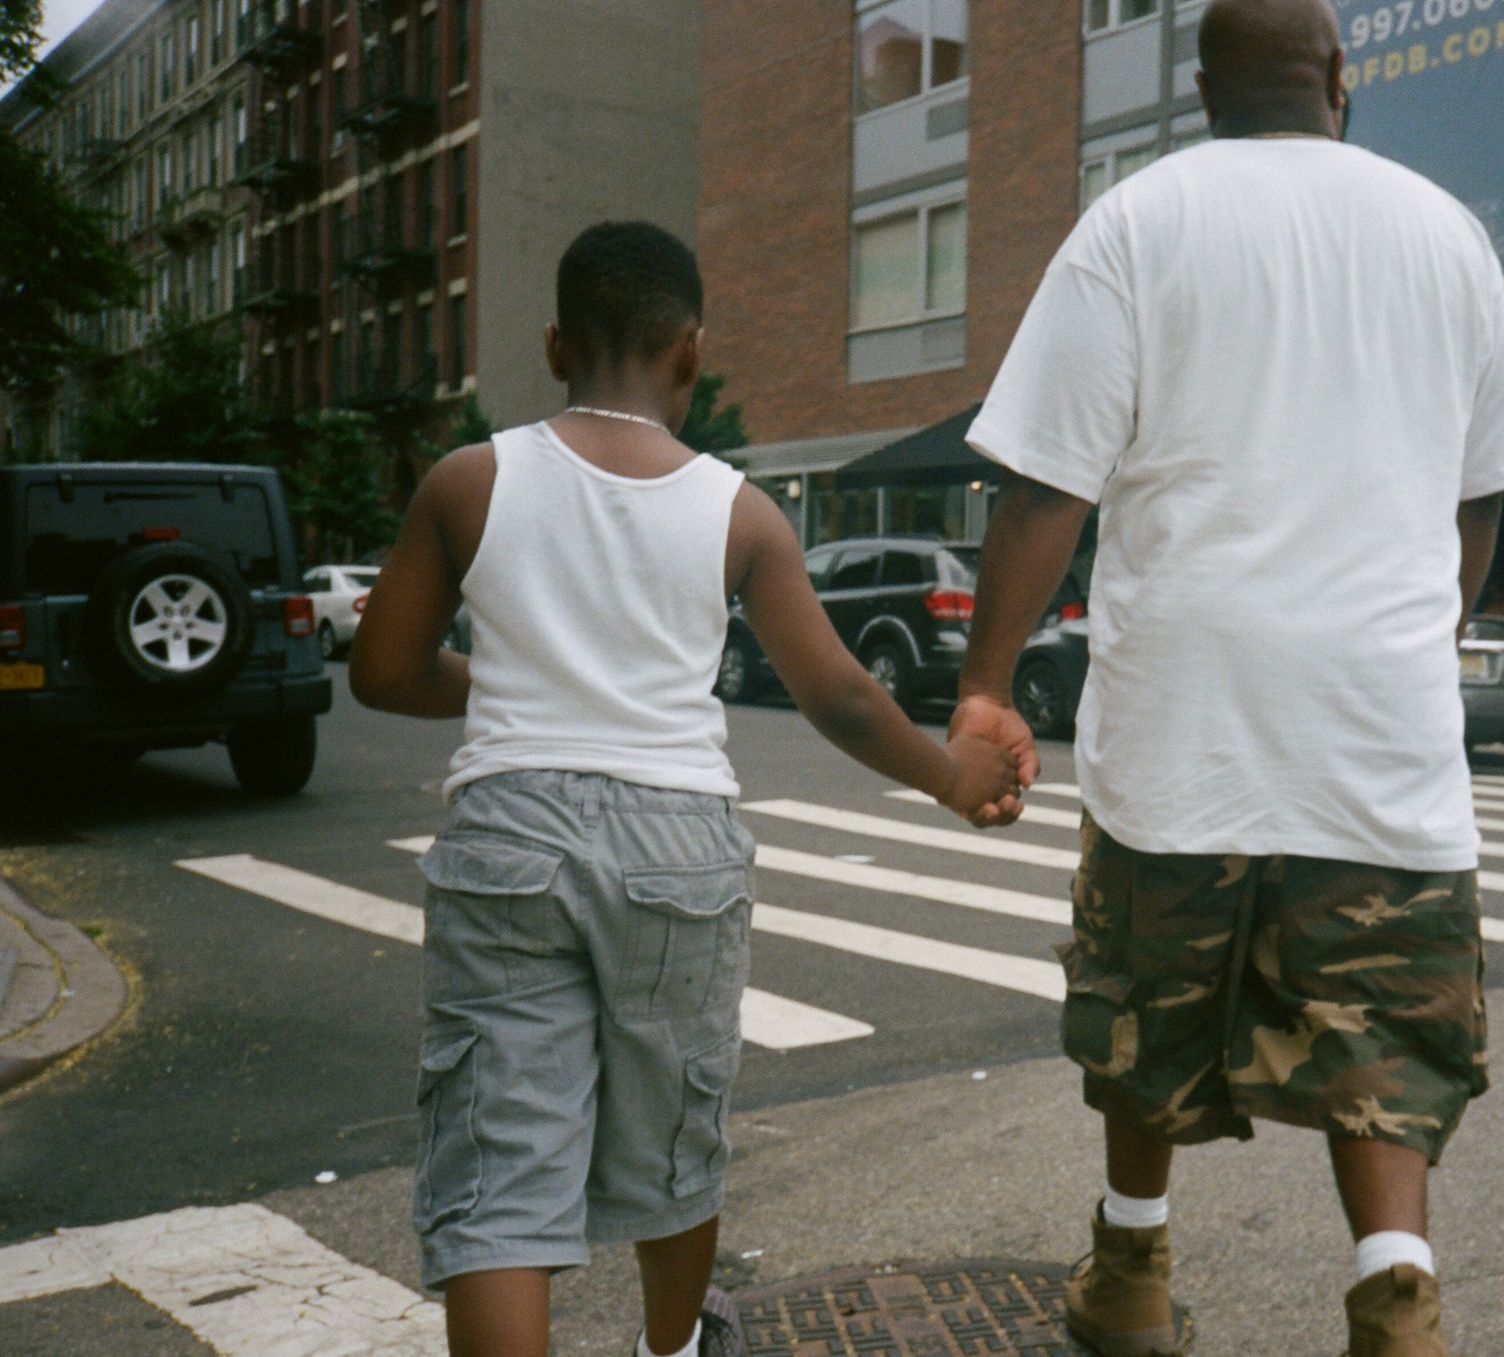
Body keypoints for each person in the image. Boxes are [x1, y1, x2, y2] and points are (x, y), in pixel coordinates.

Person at [946, 1, 1504, 1353]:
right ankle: (1397, 1298)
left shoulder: (1133, 223)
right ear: (1338, 76)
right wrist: (1417, 636)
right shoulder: (1445, 235)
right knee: (1387, 1029)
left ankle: (1131, 1278)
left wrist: (985, 686)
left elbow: (1044, 487)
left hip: (1182, 715)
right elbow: (1481, 493)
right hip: (1375, 724)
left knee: (1145, 1007)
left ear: (1200, 87)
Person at [349, 221, 1021, 1357]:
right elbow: (841, 697)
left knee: (498, 1165)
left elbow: (383, 670)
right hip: (677, 845)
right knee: (673, 1133)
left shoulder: (470, 480)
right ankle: (670, 1350)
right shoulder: (739, 510)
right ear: (691, 354)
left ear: (555, 345)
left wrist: (511, 680)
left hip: (509, 834)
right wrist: (954, 777)